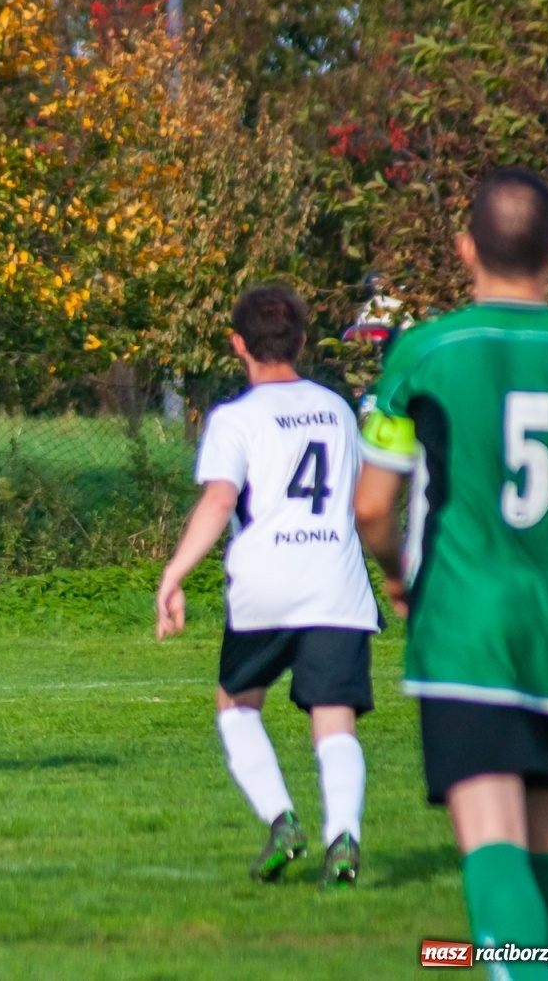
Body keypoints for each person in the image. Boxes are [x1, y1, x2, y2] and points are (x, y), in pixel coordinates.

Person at [355, 168, 548, 977]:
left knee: (491, 833)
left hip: (467, 619)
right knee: (546, 835)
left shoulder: (425, 352)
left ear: (464, 250)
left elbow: (374, 507)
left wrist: (396, 577)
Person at [155, 284, 377, 887]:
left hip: (266, 584)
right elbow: (360, 499)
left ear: (237, 344)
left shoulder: (236, 417)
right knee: (335, 721)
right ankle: (345, 837)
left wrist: (174, 573)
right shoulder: (335, 407)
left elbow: (220, 499)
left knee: (236, 705)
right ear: (302, 341)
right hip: (337, 581)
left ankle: (282, 820)